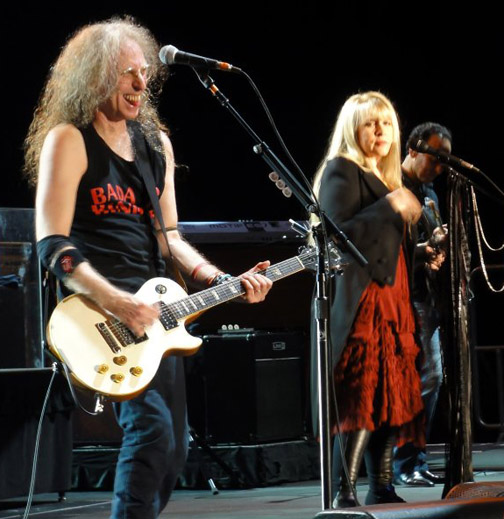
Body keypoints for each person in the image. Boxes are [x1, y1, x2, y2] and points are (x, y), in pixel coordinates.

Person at [24, 17, 272, 519]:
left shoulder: (155, 144)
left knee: (173, 451)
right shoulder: (69, 140)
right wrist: (118, 302)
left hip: (158, 316)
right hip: (99, 316)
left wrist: (222, 281)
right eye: (126, 74)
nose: (142, 84)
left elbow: (171, 237)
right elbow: (53, 245)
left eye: (144, 73)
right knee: (152, 431)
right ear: (93, 78)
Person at [312, 91, 425, 507]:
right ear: (352, 130)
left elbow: (388, 244)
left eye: (386, 123)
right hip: (362, 301)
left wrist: (424, 251)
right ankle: (346, 490)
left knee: (394, 392)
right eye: (370, 123)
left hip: (392, 299)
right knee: (362, 393)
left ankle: (382, 483)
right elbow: (336, 235)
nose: (380, 130)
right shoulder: (341, 170)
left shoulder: (387, 178)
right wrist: (391, 205)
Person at [393, 122, 452, 487]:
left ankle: (414, 458)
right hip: (404, 297)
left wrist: (438, 246)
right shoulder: (392, 186)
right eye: (435, 158)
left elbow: (428, 237)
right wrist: (421, 252)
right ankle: (403, 462)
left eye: (444, 161)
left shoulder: (429, 189)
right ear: (413, 149)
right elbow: (385, 248)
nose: (439, 168)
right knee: (423, 378)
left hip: (426, 295)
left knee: (430, 378)